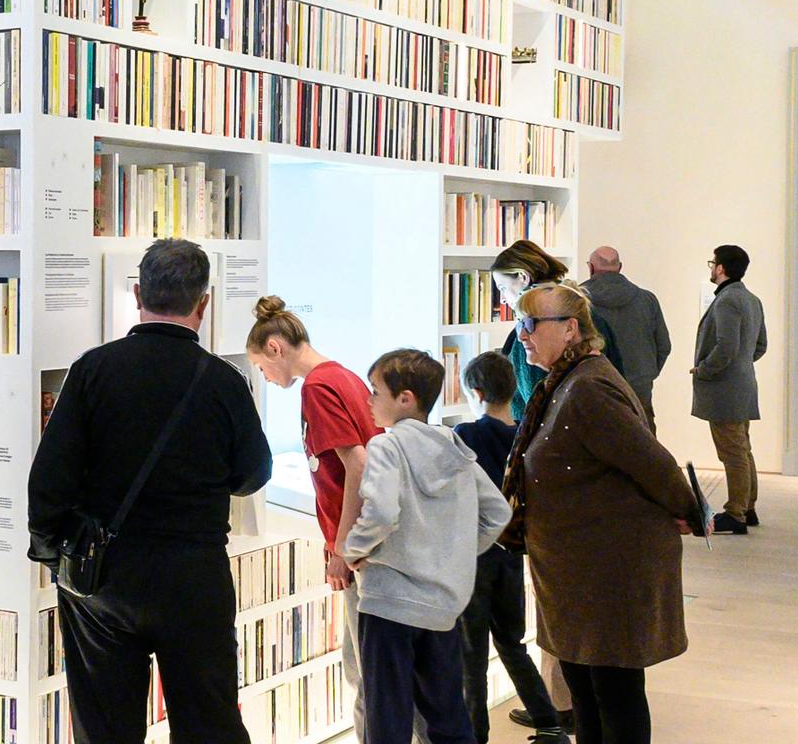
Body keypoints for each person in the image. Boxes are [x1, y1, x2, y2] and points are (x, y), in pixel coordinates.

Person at [27, 239, 272, 744]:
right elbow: (254, 473)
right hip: (193, 573)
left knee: (105, 728)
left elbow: (48, 483)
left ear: (138, 292)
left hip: (104, 575)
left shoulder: (92, 370)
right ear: (202, 303)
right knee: (209, 723)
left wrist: (56, 558)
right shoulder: (225, 381)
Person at [503, 283, 703, 744]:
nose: (523, 336)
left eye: (531, 324)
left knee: (613, 693)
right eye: (519, 324)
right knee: (588, 693)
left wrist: (689, 512)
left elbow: (650, 461)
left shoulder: (587, 389)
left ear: (570, 329)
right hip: (579, 570)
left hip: (605, 571)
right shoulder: (567, 382)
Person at [342, 349, 511, 744]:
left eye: (375, 392)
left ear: (405, 399)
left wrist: (353, 549)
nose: (368, 400)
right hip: (441, 605)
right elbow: (497, 514)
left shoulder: (387, 446)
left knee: (387, 718)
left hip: (389, 603)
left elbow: (381, 511)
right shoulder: (454, 449)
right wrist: (452, 553)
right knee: (447, 715)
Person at [245, 295, 382, 741]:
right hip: (372, 541)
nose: (265, 377)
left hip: (363, 549)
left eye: (262, 368)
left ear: (274, 348)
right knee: (365, 667)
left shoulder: (317, 387)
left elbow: (357, 463)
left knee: (370, 675)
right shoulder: (342, 375)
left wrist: (342, 548)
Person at [452, 351, 568, 744]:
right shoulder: (526, 434)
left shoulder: (465, 436)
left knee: (471, 657)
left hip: (474, 558)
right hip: (511, 556)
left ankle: (476, 735)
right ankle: (548, 720)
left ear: (476, 392)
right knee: (512, 645)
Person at [492, 240, 623, 424]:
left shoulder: (534, 332)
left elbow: (538, 406)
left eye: (503, 288)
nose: (503, 299)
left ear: (523, 277)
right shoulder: (582, 308)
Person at [691, 244, 768, 534]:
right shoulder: (751, 299)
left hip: (725, 389)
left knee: (732, 452)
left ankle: (735, 513)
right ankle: (748, 508)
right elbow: (759, 346)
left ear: (721, 268)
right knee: (742, 448)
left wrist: (704, 369)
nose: (711, 268)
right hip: (743, 384)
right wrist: (741, 365)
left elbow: (726, 346)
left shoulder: (727, 301)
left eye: (713, 263)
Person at [584, 245, 672, 430]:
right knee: (644, 444)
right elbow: (664, 345)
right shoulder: (647, 300)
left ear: (591, 267)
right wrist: (646, 373)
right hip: (639, 387)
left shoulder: (577, 301)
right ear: (620, 267)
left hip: (592, 387)